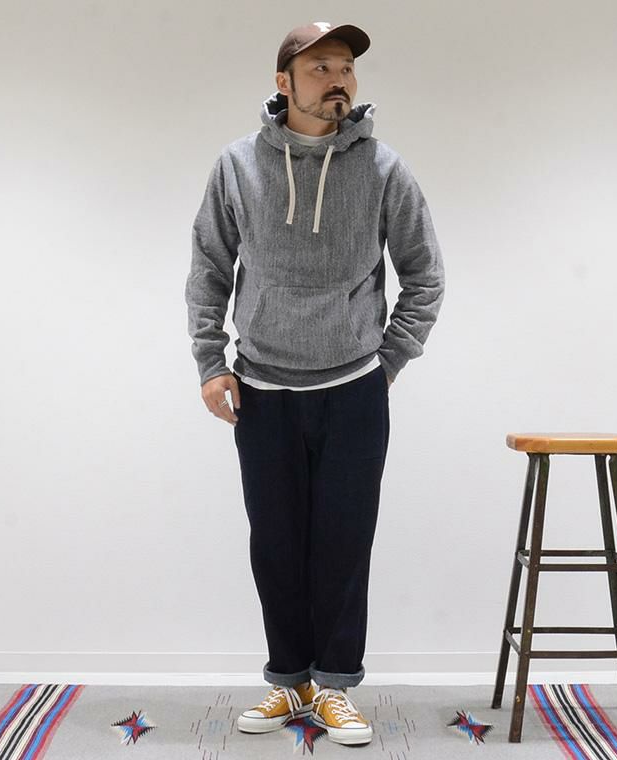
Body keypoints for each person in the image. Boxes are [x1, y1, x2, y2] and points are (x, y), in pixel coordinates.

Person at [185, 21, 445, 746]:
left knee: (343, 543)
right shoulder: (237, 166)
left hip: (354, 390)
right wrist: (211, 363)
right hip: (262, 390)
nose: (338, 80)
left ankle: (334, 687)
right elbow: (208, 266)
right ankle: (290, 682)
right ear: (284, 83)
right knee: (275, 544)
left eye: (346, 68)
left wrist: (386, 363)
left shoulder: (384, 169)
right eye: (321, 67)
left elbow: (425, 276)